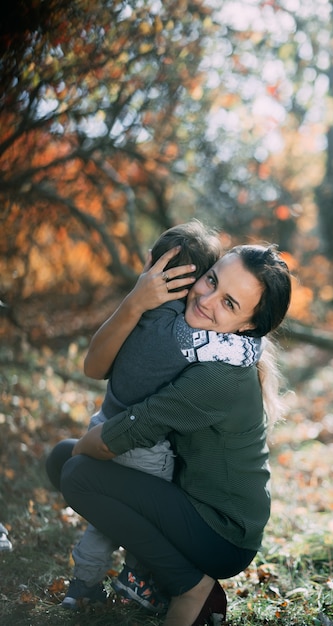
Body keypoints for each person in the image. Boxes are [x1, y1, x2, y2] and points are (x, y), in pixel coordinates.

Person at [48, 243, 291, 626]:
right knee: (64, 460)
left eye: (229, 303)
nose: (207, 299)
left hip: (221, 532)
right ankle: (155, 573)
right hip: (187, 498)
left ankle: (189, 584)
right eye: (211, 280)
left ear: (249, 326)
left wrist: (85, 461)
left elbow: (119, 437)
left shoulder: (218, 374)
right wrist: (134, 301)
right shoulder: (202, 340)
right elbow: (96, 366)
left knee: (77, 472)